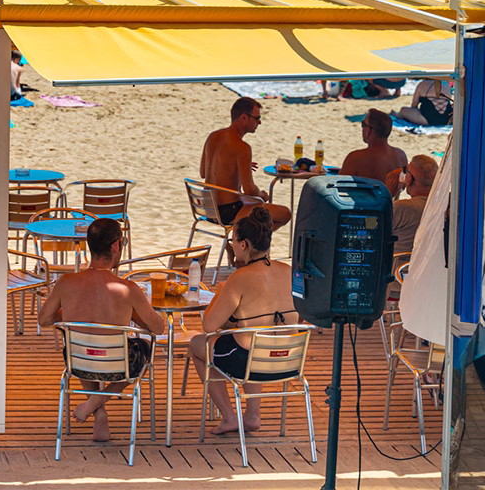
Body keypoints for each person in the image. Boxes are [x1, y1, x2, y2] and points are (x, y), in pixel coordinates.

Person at [38, 218, 166, 442]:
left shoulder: (66, 282)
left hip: (78, 363)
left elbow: (44, 319)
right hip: (118, 366)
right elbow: (157, 327)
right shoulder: (127, 289)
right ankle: (96, 403)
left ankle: (99, 412)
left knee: (80, 346)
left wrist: (73, 314)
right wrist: (132, 313)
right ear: (116, 246)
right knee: (143, 349)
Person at [188, 206, 300, 435]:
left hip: (252, 362)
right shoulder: (289, 271)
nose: (231, 247)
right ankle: (252, 415)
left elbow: (208, 326)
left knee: (198, 344)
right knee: (252, 336)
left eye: (232, 242)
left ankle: (230, 417)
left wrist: (220, 292)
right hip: (290, 359)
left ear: (244, 245)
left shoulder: (239, 277)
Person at [200, 97, 291, 230]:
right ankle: (246, 247)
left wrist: (233, 167)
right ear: (244, 118)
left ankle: (236, 246)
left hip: (208, 209)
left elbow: (203, 173)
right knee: (285, 214)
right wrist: (262, 195)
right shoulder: (242, 147)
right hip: (228, 212)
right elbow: (249, 190)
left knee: (252, 205)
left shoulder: (213, 136)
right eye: (257, 118)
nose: (259, 122)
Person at [383, 154, 438, 257]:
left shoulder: (402, 208)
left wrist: (388, 192)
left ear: (409, 179)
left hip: (401, 270)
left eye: (406, 170)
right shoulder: (443, 204)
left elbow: (371, 225)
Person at [339, 108, 408, 183]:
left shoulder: (355, 157)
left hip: (364, 195)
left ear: (369, 131)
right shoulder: (401, 155)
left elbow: (339, 185)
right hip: (391, 195)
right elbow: (403, 185)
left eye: (363, 124)